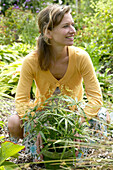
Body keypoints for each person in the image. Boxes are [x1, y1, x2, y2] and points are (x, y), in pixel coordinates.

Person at [8, 4, 109, 162]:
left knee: (103, 115)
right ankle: (29, 153)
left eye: (72, 25)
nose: (73, 31)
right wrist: (37, 124)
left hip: (74, 113)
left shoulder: (81, 57)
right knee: (14, 122)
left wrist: (78, 123)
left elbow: (96, 99)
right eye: (66, 26)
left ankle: (80, 151)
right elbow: (21, 101)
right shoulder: (31, 61)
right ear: (48, 32)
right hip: (43, 114)